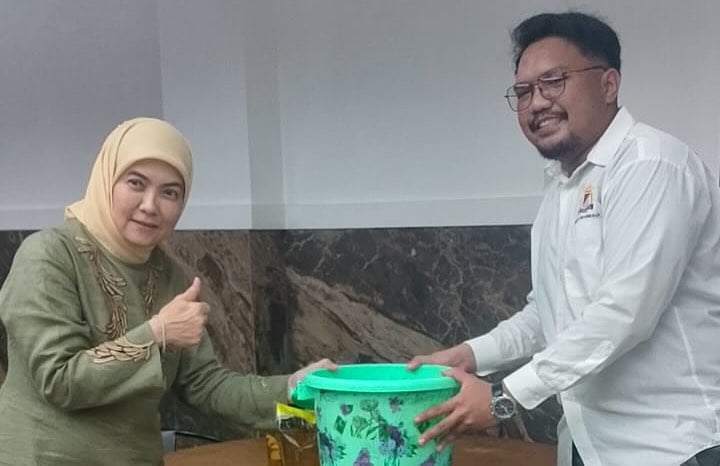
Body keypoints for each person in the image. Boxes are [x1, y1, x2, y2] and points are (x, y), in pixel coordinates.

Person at [408, 11, 720, 466]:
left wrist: (504, 397)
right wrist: (470, 355)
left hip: (671, 447)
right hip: (588, 445)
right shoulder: (562, 187)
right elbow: (548, 315)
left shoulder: (652, 164)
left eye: (553, 82)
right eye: (523, 92)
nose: (536, 103)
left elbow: (624, 313)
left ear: (608, 85)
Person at [0, 117, 336, 465]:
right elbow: (59, 380)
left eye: (169, 192)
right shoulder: (49, 255)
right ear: (106, 180)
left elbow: (205, 383)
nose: (150, 205)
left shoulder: (169, 277)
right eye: (135, 183)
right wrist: (158, 332)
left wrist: (293, 386)